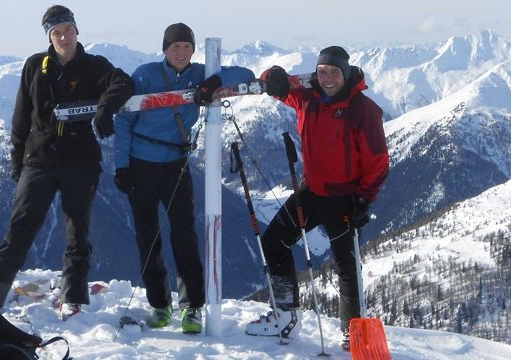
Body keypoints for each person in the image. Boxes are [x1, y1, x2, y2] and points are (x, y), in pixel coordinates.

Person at [0, 5, 133, 319]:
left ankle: (73, 300)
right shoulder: (35, 66)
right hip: (39, 159)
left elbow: (123, 83)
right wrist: (18, 165)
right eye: (56, 32)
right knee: (18, 234)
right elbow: (21, 119)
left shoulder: (94, 65)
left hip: (81, 161)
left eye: (68, 29)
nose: (63, 36)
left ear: (77, 30)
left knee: (78, 233)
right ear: (49, 36)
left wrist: (105, 108)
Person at [245, 46, 390, 349]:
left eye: (334, 72)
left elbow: (377, 160)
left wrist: (364, 199)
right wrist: (273, 75)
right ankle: (285, 315)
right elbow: (274, 86)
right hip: (311, 192)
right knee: (274, 241)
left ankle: (353, 334)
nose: (327, 78)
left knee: (345, 266)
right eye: (322, 71)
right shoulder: (307, 99)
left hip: (344, 199)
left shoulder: (362, 109)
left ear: (346, 73)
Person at [113, 22, 254, 332]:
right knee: (147, 235)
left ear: (193, 50)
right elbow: (123, 121)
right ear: (165, 49)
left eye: (187, 47)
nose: (181, 52)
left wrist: (214, 80)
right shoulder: (145, 74)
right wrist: (121, 166)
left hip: (176, 163)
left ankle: (192, 308)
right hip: (140, 163)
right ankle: (159, 305)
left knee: (184, 235)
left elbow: (244, 75)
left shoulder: (198, 73)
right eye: (175, 46)